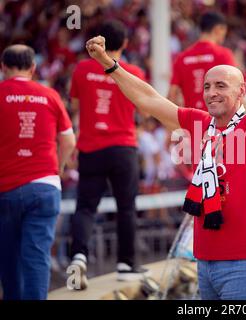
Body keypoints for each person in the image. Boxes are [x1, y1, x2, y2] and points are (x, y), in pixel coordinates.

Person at [85, 21, 246, 300]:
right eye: (207, 86)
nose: (211, 92)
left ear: (241, 92)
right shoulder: (199, 122)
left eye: (220, 86)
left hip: (245, 261)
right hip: (204, 260)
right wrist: (110, 64)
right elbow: (148, 100)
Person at [68, 20, 148, 288]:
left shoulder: (81, 69)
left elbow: (76, 106)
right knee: (126, 207)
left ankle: (78, 256)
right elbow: (144, 109)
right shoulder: (133, 70)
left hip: (90, 148)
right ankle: (126, 264)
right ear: (125, 44)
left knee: (85, 207)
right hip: (123, 147)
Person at [0, 45, 76, 300]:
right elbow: (68, 141)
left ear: (3, 67)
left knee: (8, 257)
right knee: (37, 256)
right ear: (33, 68)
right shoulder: (50, 95)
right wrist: (59, 167)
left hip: (5, 189)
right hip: (44, 185)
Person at [167, 11, 236, 111]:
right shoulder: (223, 55)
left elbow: (171, 95)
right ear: (218, 29)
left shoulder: (182, 57)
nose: (223, 37)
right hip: (216, 120)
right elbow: (234, 89)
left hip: (191, 121)